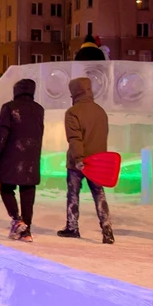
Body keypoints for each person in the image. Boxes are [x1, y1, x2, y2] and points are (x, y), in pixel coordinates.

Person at [58, 78, 114, 243]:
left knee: (73, 194)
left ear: (74, 92)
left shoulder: (73, 112)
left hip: (78, 161)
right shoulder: (100, 111)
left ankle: (72, 227)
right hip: (98, 161)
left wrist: (78, 158)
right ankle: (107, 229)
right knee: (99, 193)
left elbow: (75, 138)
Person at [0, 79, 44, 242]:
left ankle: (17, 219)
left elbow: (1, 135)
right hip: (31, 157)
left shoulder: (9, 107)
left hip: (11, 156)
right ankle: (26, 230)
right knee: (28, 192)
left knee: (6, 187)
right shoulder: (39, 109)